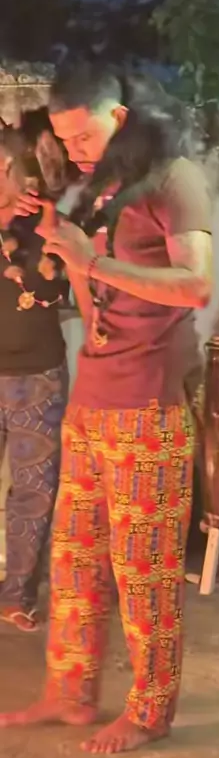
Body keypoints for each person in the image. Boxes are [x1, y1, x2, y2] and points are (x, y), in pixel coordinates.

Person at [0, 61, 213, 754]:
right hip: (92, 399)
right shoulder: (102, 191)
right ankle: (70, 692)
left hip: (148, 402)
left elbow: (196, 285)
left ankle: (150, 711)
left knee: (143, 569)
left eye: (84, 136)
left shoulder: (174, 180)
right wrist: (66, 247)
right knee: (74, 562)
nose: (76, 151)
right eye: (65, 141)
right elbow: (93, 301)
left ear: (117, 117)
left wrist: (91, 263)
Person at [0, 110, 73, 633]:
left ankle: (17, 594)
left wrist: (46, 223)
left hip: (37, 374)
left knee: (34, 492)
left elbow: (58, 286)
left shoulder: (47, 223)